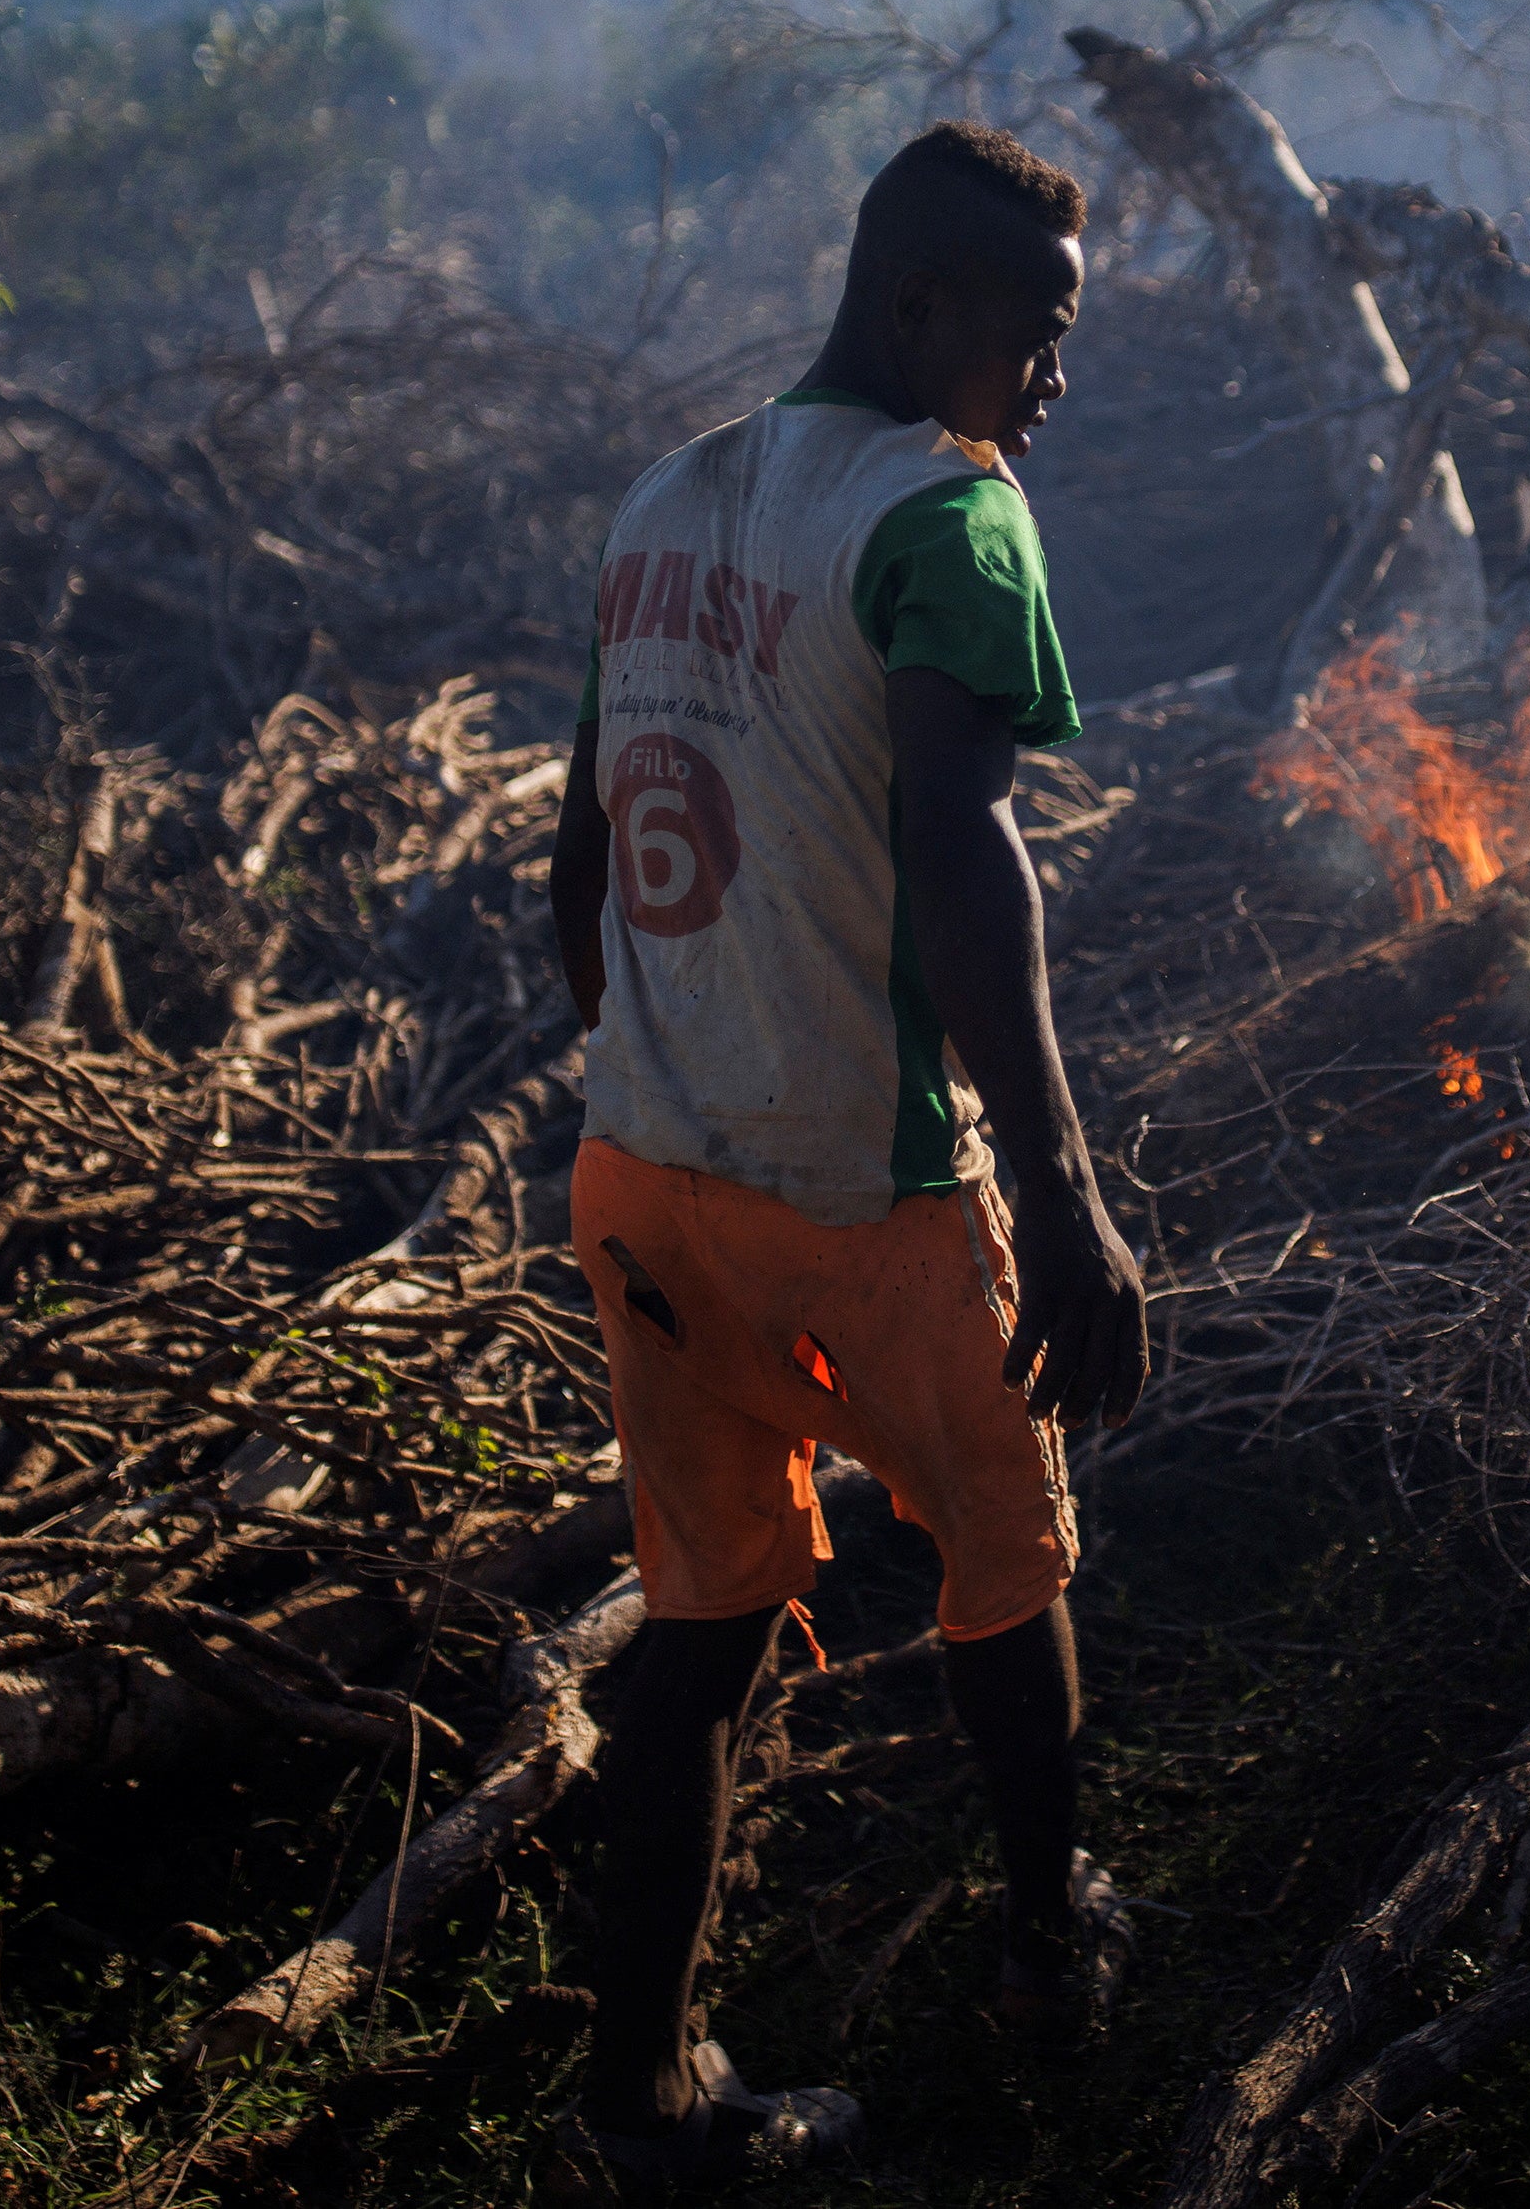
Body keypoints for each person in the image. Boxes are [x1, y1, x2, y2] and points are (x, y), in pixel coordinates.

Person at [544, 119, 1152, 2194]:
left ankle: (638, 2108)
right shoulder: (946, 513)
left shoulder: (663, 496)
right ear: (924, 312)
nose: (1052, 382)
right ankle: (1047, 1944)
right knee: (1006, 1557)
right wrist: (1062, 1199)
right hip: (867, 1191)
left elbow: (578, 850)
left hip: (645, 1172)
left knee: (699, 1636)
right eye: (1039, 333)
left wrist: (657, 1058)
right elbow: (963, 856)